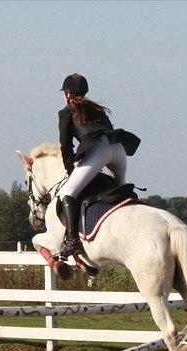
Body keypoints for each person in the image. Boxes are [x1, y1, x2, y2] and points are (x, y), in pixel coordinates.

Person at [57, 73, 141, 258]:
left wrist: (70, 168)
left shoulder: (66, 111)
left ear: (68, 93)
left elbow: (65, 145)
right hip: (117, 147)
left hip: (99, 150)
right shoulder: (97, 108)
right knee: (121, 187)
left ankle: (72, 241)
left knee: (67, 193)